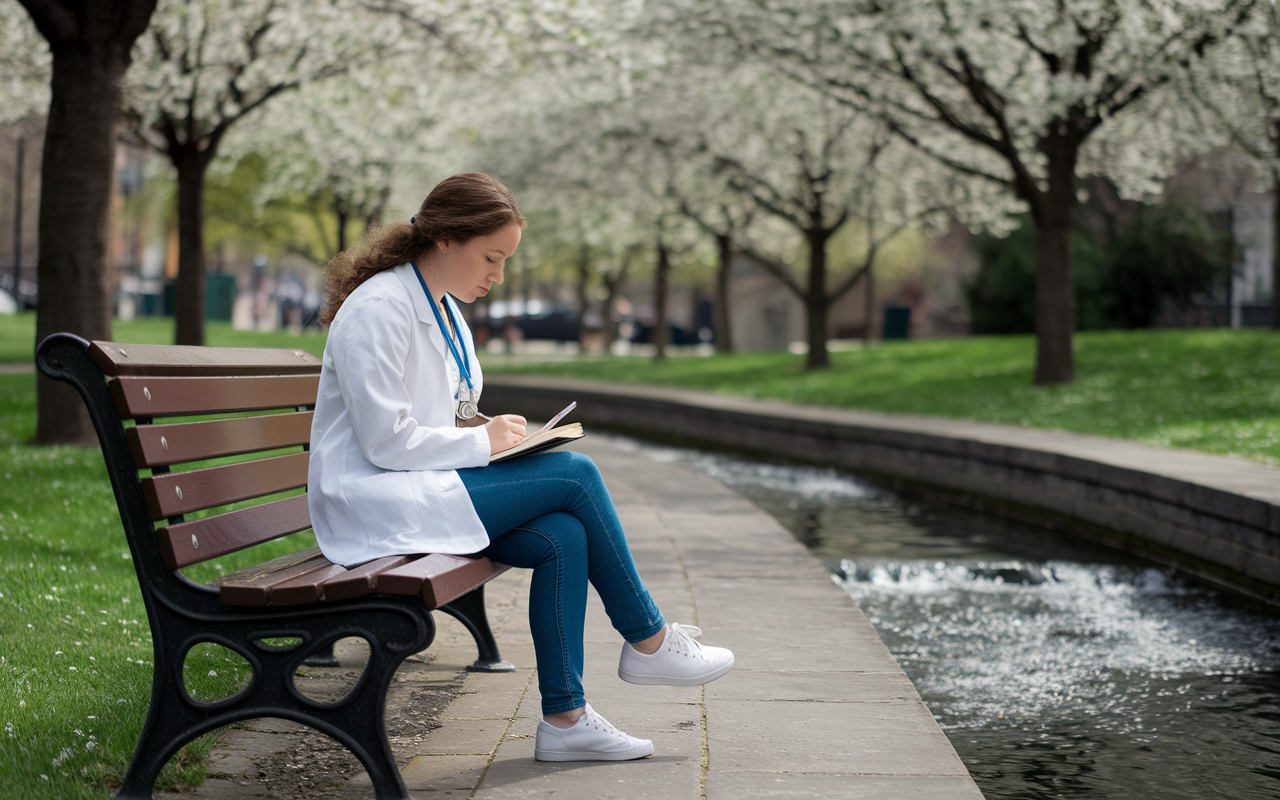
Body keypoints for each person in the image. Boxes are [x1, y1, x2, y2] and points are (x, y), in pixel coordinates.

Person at [308, 172, 734, 762]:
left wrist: (495, 436)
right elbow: (385, 442)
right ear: (446, 240)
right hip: (370, 499)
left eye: (505, 260)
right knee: (577, 475)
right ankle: (648, 637)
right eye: (491, 257)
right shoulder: (379, 308)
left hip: (421, 484)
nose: (498, 275)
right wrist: (483, 445)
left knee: (562, 535)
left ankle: (566, 721)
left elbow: (442, 414)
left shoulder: (442, 307)